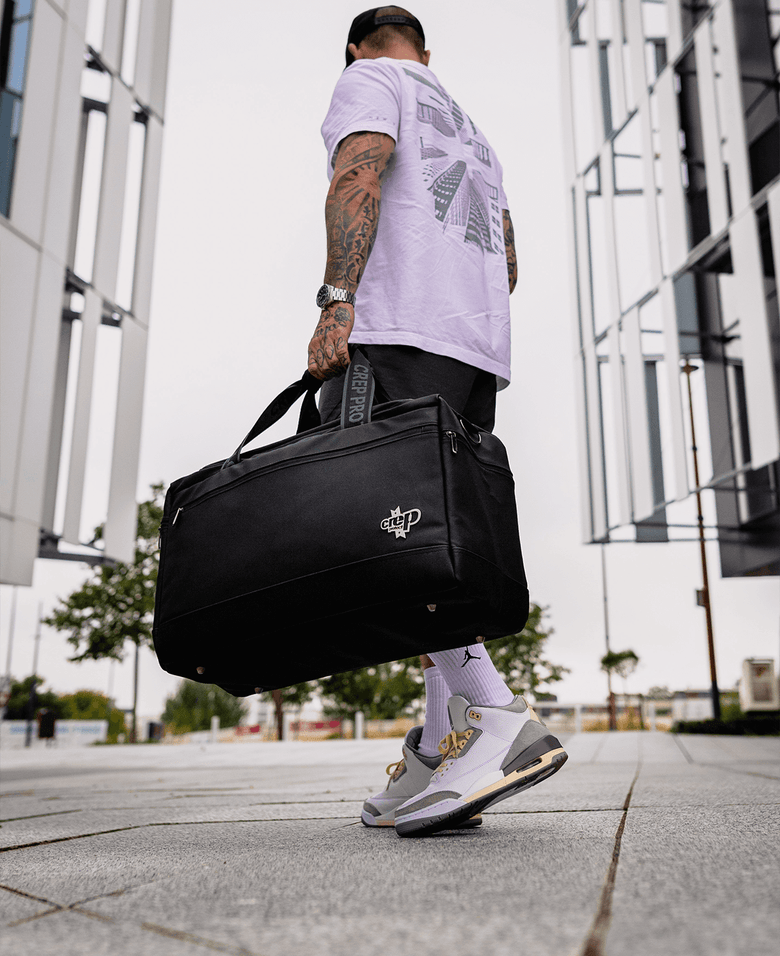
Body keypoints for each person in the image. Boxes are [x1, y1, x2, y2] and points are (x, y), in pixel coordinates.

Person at [308, 7, 567, 836]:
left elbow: (360, 172)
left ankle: (497, 720)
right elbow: (511, 261)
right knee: (432, 539)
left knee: (385, 535)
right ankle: (434, 747)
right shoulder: (474, 132)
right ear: (429, 50)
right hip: (475, 350)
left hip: (402, 333)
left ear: (357, 44)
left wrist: (338, 300)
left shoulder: (369, 80)